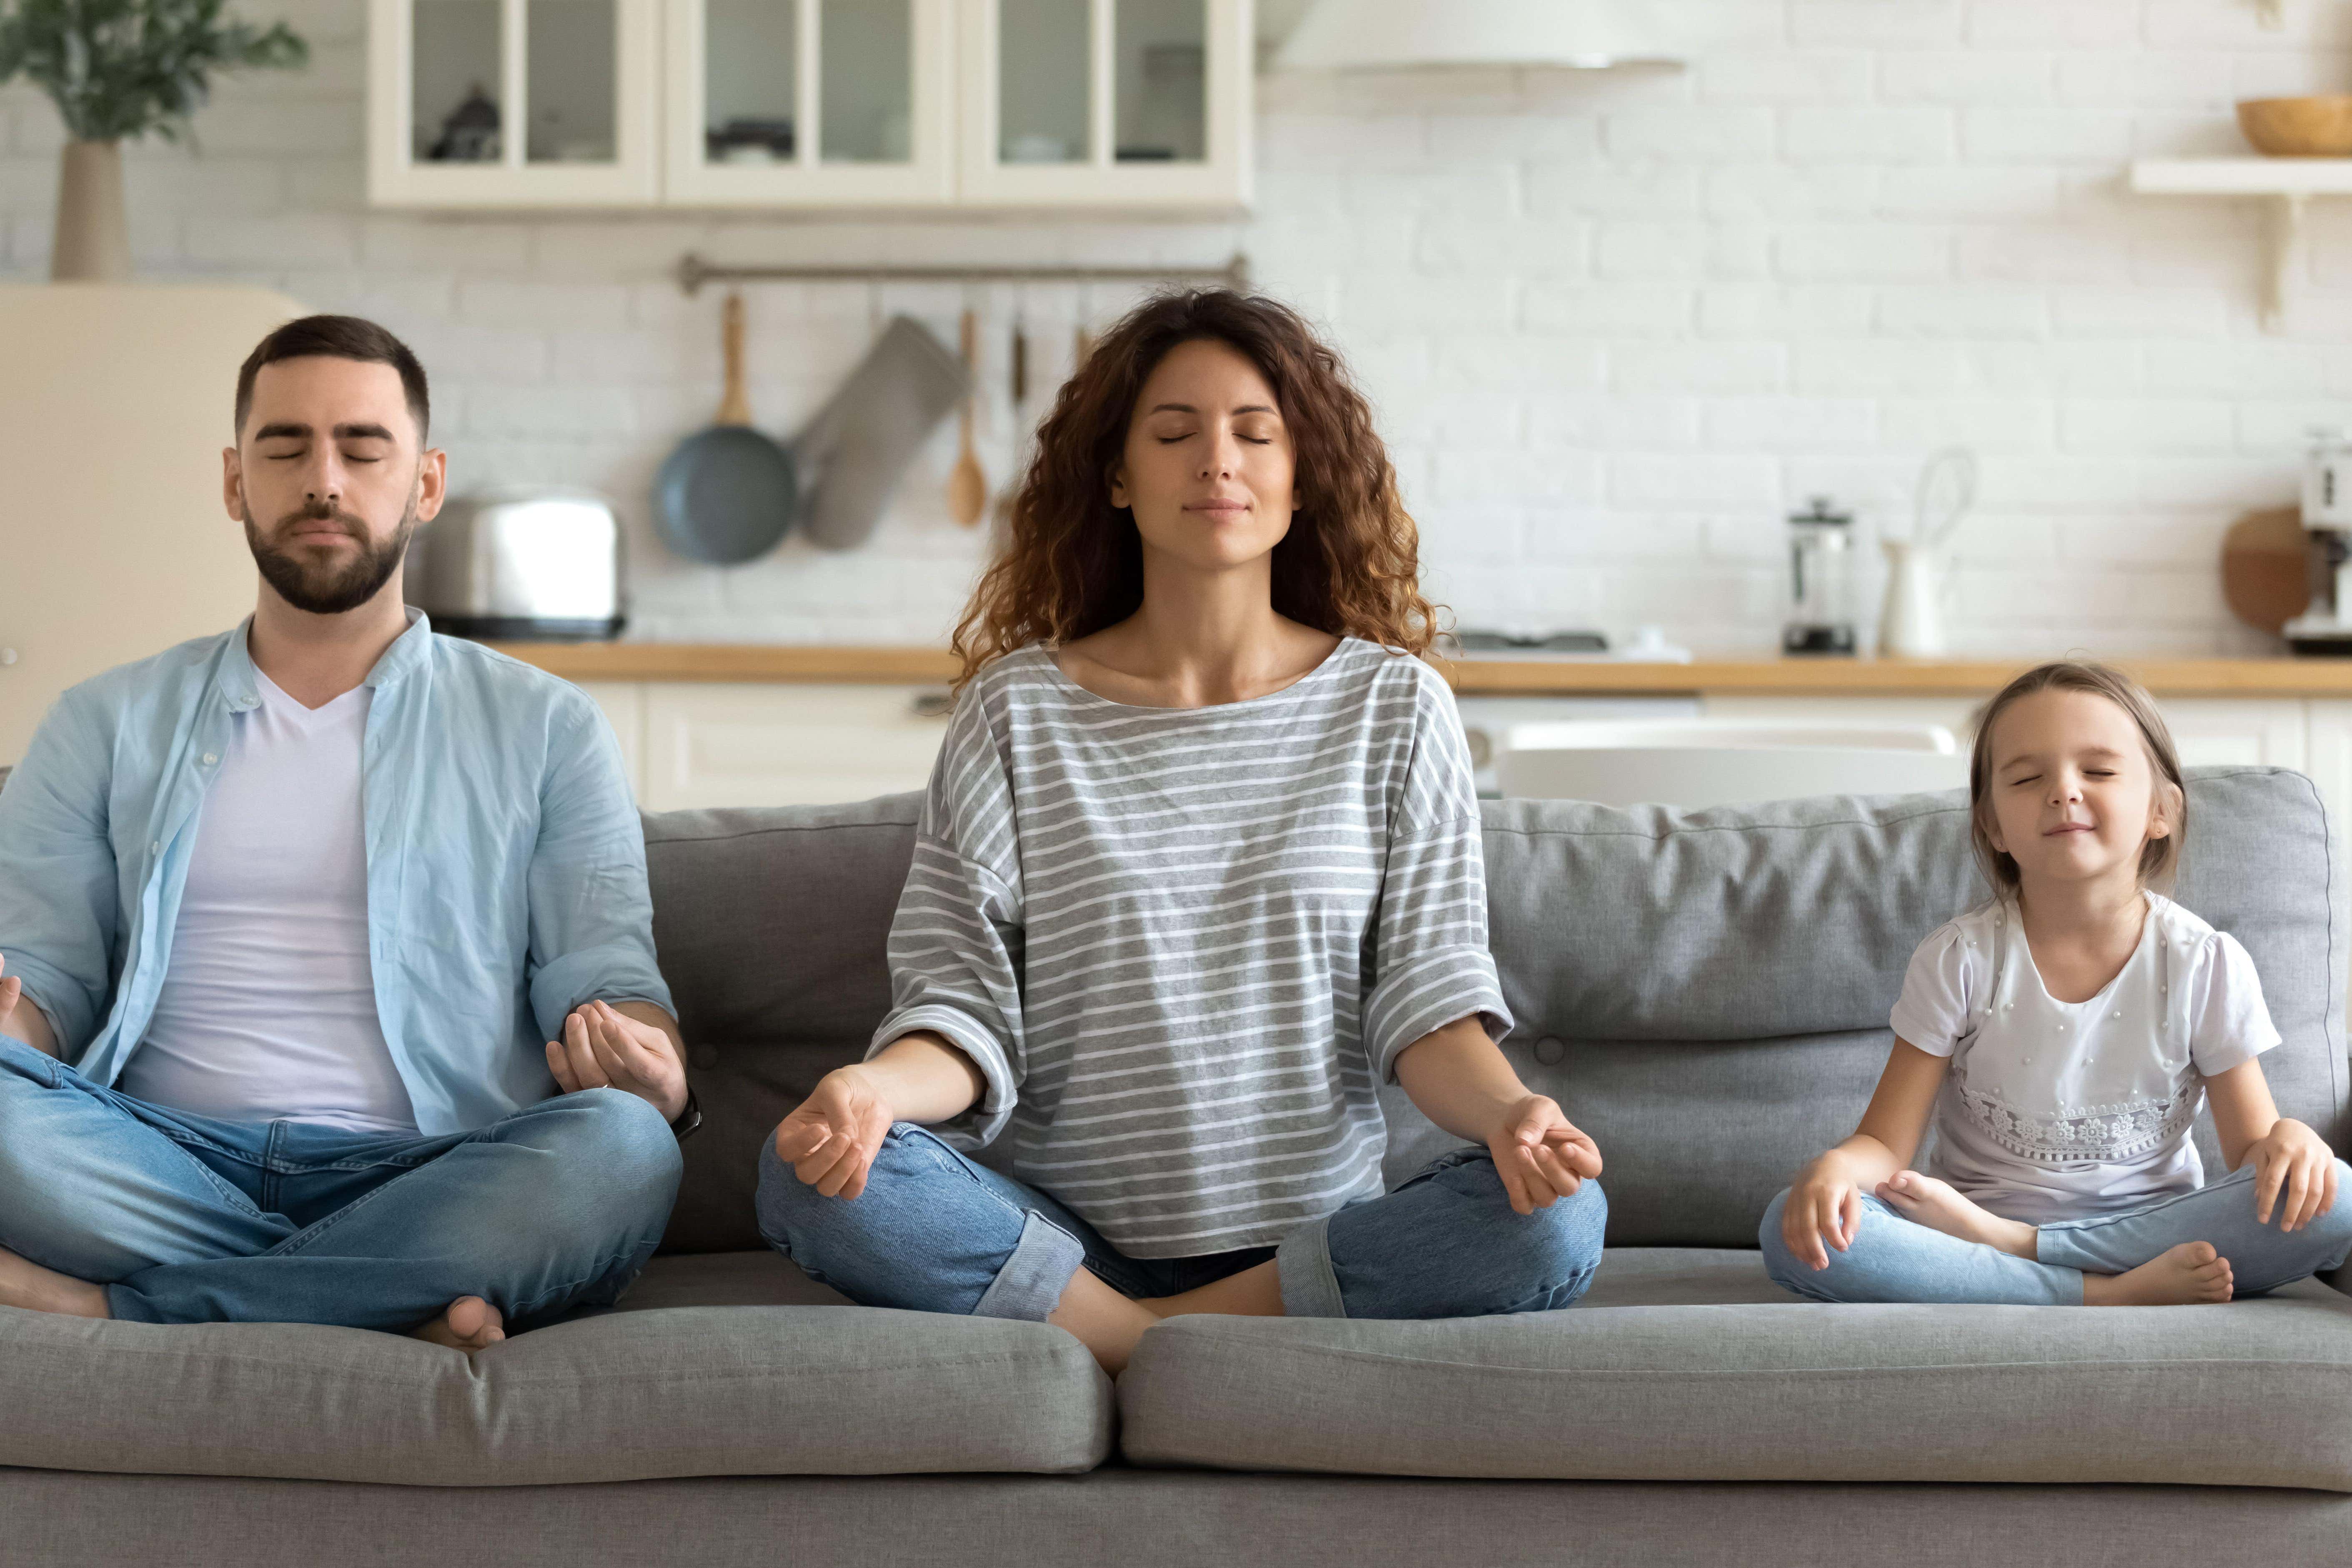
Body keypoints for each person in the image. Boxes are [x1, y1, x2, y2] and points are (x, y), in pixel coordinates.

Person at [755, 289, 1606, 1375]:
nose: (1217, 461)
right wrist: (872, 1091)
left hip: (1309, 1239)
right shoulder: (1016, 709)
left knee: (1558, 1216)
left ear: (1303, 477)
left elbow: (1429, 1003)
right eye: (1173, 433)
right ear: (1116, 476)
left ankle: (1131, 1345)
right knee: (805, 1175)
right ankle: (1176, 1342)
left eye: (1256, 433)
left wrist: (1516, 1114)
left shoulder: (1393, 706)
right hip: (1060, 1234)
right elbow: (960, 1004)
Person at [0, 315, 693, 1351]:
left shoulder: (546, 726)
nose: (324, 479)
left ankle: (118, 1310)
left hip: (436, 1163)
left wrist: (657, 1073)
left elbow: (604, 970)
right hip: (158, 1157)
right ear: (236, 483)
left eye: (363, 449)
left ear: (425, 484)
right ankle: (392, 1298)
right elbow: (45, 983)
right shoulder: (101, 722)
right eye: (286, 449)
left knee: (623, 1152)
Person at [1762, 660, 2352, 1306]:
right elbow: (1884, 1143)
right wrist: (1840, 1168)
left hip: (2133, 1234)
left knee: (2339, 1198)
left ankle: (2027, 1254)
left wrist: (2289, 1142)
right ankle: (2099, 1292)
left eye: (2097, 771)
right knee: (1787, 1227)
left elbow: (2252, 1154)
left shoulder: (2205, 961)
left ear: (2162, 809)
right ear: (1992, 825)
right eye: (2026, 777)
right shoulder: (1959, 958)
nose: (2063, 790)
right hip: (1966, 1234)